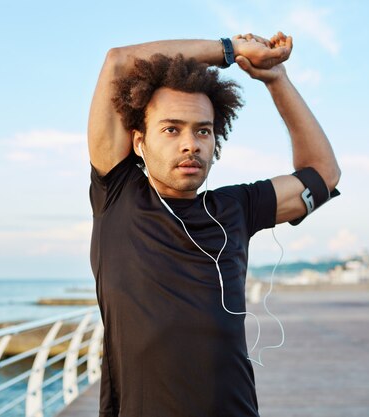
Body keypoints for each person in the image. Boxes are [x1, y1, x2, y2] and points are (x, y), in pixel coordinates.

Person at [88, 32, 341, 417]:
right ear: (139, 142)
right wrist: (232, 50)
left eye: (202, 130)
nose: (191, 144)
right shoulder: (118, 195)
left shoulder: (236, 208)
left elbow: (323, 173)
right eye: (171, 129)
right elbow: (118, 61)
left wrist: (276, 80)